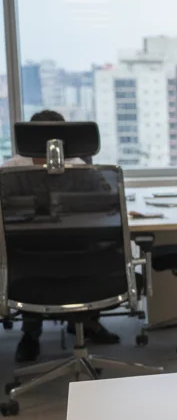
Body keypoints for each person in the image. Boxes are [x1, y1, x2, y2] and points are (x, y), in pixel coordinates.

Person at [4, 109, 121, 362]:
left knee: (90, 253)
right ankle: (31, 334)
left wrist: (88, 168)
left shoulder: (81, 169)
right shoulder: (9, 173)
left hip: (78, 254)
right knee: (33, 264)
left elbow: (110, 201)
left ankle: (86, 322)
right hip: (30, 260)